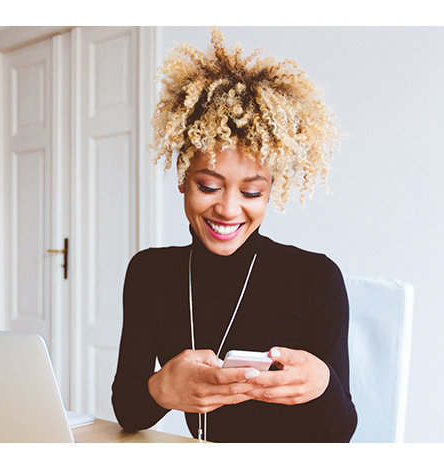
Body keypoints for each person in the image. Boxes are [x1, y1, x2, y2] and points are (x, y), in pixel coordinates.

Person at [111, 28, 357, 443]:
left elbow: (339, 434)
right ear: (182, 178)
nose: (227, 209)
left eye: (251, 192)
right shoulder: (150, 273)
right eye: (208, 186)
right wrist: (161, 387)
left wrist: (322, 383)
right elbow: (128, 412)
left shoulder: (315, 277)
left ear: (271, 190)